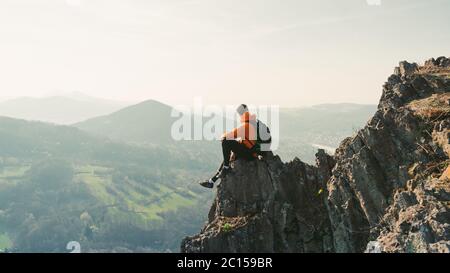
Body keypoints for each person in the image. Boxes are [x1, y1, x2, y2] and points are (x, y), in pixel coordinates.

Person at [199, 104, 270, 188]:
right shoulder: (255, 122)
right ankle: (212, 181)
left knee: (226, 142)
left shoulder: (246, 126)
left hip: (251, 154)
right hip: (254, 152)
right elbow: (249, 141)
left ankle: (224, 169)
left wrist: (223, 137)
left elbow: (228, 136)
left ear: (240, 114)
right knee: (228, 155)